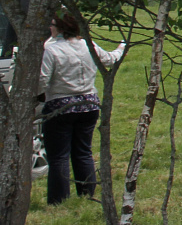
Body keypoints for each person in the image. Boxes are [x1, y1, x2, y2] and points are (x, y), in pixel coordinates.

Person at [36, 13, 124, 204]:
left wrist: (31, 95)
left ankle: (58, 200)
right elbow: (109, 59)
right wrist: (121, 48)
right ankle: (87, 194)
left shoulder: (51, 50)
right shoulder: (87, 45)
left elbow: (42, 80)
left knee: (59, 156)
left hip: (60, 106)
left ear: (59, 27)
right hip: (89, 105)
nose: (50, 28)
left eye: (52, 25)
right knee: (83, 151)